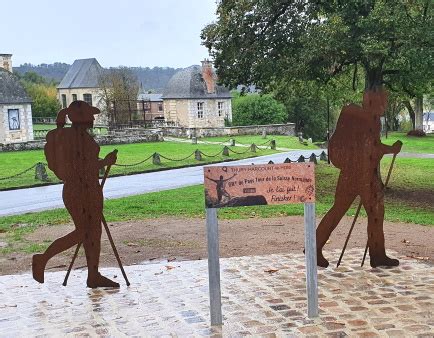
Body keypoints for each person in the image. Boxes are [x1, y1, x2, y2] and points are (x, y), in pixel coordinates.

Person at [32, 101, 119, 288]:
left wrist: (102, 162)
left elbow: (87, 162)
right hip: (78, 191)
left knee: (94, 233)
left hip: (90, 189)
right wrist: (104, 162)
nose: (94, 119)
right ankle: (43, 258)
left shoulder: (81, 136)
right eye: (91, 115)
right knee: (84, 232)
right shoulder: (71, 138)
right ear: (81, 118)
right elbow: (80, 167)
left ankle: (93, 275)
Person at [316, 89, 402, 268]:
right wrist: (386, 150)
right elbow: (368, 148)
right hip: (357, 176)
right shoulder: (360, 117)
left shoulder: (372, 120)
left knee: (372, 212)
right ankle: (314, 248)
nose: (385, 106)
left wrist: (390, 149)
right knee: (344, 211)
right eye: (383, 102)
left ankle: (377, 255)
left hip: (362, 176)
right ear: (372, 102)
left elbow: (373, 147)